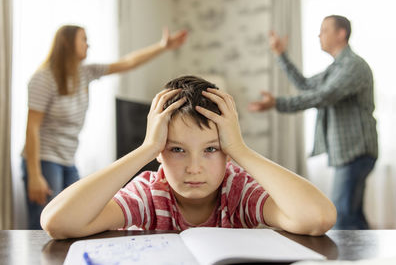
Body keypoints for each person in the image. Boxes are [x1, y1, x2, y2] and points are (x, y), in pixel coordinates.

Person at [41, 75, 336, 239]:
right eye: (177, 149)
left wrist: (241, 151)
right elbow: (58, 222)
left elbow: (318, 218)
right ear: (160, 152)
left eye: (211, 150)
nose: (194, 168)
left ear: (227, 152)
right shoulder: (150, 193)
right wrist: (145, 149)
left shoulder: (237, 190)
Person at [22, 25, 187, 229]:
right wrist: (35, 175)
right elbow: (32, 128)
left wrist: (162, 47)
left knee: (75, 219)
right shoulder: (43, 79)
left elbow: (127, 63)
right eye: (83, 39)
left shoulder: (84, 73)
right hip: (44, 159)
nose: (88, 44)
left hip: (67, 157)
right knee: (45, 226)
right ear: (66, 43)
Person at [248, 15, 378, 229]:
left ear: (341, 33)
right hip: (349, 151)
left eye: (325, 29)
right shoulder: (336, 68)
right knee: (352, 215)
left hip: (357, 151)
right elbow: (306, 85)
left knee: (343, 217)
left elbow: (324, 96)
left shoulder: (353, 66)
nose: (319, 34)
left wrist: (277, 103)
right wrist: (281, 54)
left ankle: (342, 262)